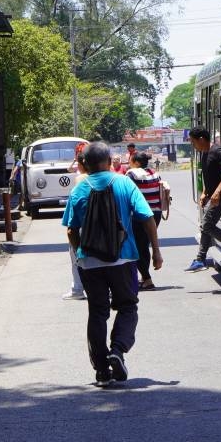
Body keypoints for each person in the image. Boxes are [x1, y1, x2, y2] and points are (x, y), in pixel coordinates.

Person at [62, 142, 163, 387]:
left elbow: (71, 230)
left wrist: (80, 257)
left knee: (97, 313)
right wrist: (156, 252)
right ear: (109, 161)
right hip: (124, 259)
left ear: (84, 164)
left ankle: (101, 371)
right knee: (128, 307)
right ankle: (117, 350)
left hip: (90, 262)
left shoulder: (79, 189)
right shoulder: (124, 183)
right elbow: (147, 218)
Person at [186, 126, 221, 271]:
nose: (193, 145)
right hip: (212, 196)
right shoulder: (204, 153)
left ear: (201, 139)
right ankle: (200, 259)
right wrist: (205, 192)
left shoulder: (217, 151)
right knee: (205, 226)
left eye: (193, 142)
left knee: (207, 225)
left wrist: (218, 191)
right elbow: (209, 176)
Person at [126, 151, 163, 290]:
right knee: (144, 244)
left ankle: (147, 279)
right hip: (156, 214)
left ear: (136, 162)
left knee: (139, 246)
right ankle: (145, 277)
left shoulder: (132, 174)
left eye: (130, 160)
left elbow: (127, 193)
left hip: (140, 215)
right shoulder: (154, 173)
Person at [63, 143, 89, 300]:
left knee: (77, 259)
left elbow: (71, 227)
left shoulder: (79, 185)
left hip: (82, 227)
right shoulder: (114, 180)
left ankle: (78, 289)